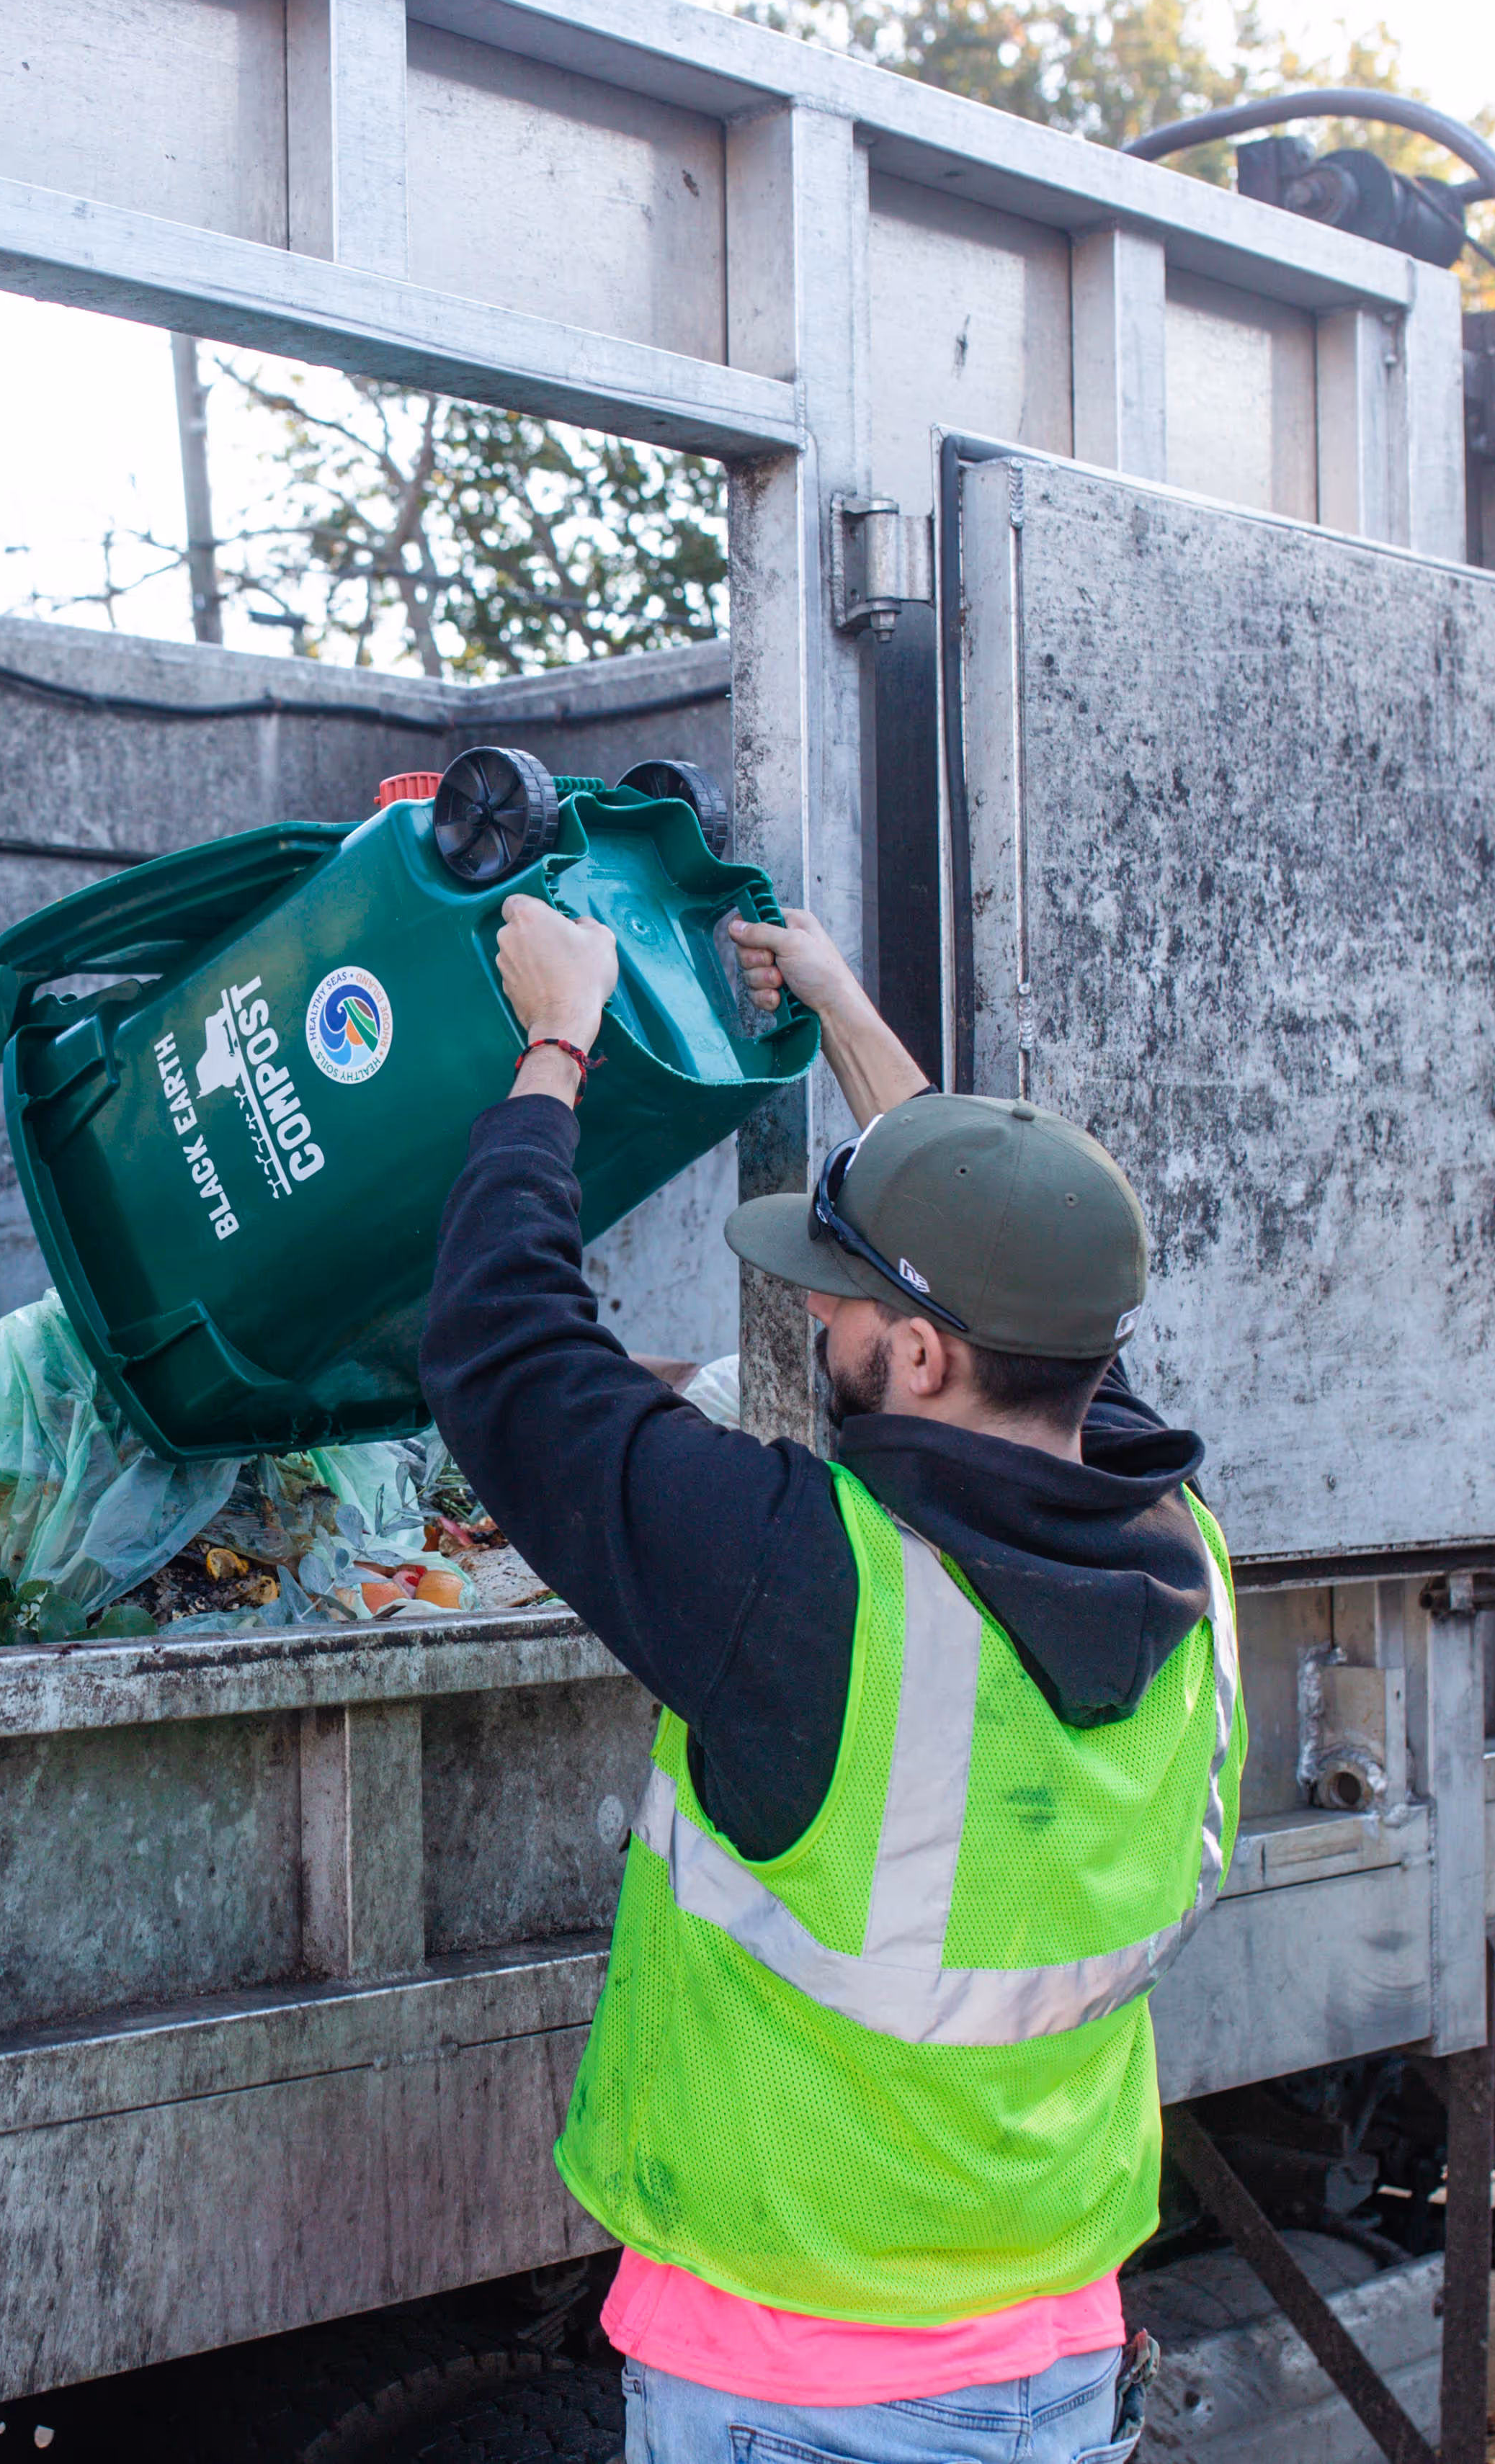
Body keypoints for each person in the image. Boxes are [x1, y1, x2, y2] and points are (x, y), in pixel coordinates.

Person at [419, 894, 1245, 2464]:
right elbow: (1023, 1275)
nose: (810, 1307)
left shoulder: (807, 1585)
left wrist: (555, 1036)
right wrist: (839, 1001)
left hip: (799, 2383)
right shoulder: (1177, 1540)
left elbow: (503, 1348)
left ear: (921, 1355)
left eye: (839, 1293)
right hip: (1054, 2341)